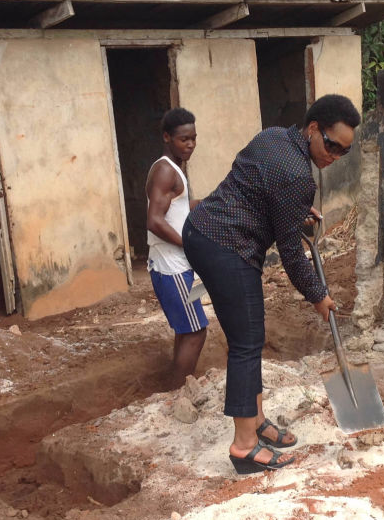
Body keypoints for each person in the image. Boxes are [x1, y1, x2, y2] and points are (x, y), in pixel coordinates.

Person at [183, 94, 360, 474]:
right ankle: (245, 446)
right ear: (313, 128)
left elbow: (260, 186)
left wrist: (292, 209)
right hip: (227, 246)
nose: (335, 157)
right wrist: (318, 295)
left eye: (344, 152)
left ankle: (256, 419)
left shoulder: (274, 136)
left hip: (202, 231)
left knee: (248, 336)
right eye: (331, 146)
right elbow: (292, 255)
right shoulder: (298, 176)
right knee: (246, 342)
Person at [146, 108, 208, 390]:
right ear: (167, 137)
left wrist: (207, 203)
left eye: (193, 138)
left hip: (176, 265)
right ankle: (177, 392)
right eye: (184, 139)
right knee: (196, 332)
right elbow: (154, 221)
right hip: (172, 267)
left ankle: (175, 387)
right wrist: (188, 243)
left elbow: (177, 210)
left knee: (186, 329)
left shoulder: (173, 169)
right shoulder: (165, 171)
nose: (191, 144)